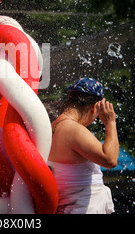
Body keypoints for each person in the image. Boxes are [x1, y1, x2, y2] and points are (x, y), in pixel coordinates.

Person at [48, 77, 119, 214]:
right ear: (94, 108)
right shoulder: (73, 130)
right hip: (84, 208)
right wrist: (110, 124)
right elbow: (110, 159)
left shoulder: (52, 127)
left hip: (70, 207)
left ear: (69, 98)